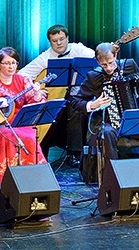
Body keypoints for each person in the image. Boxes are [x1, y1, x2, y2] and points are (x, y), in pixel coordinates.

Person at [69, 43, 139, 168]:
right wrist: (92, 104)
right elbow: (75, 101)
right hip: (109, 122)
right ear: (97, 61)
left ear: (115, 56)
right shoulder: (94, 76)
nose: (108, 68)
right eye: (104, 65)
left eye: (111, 63)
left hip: (137, 121)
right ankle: (113, 171)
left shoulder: (129, 65)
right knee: (107, 133)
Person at [0, 47, 49, 181]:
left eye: (14, 63)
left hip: (18, 122)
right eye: (6, 63)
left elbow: (35, 105)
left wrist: (36, 94)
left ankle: (33, 180)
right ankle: (10, 181)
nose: (11, 67)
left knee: (29, 137)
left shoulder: (23, 80)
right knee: (8, 136)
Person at [18, 24, 95, 164]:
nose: (59, 43)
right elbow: (22, 75)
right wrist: (36, 90)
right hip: (57, 96)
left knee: (76, 108)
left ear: (67, 38)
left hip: (77, 94)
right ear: (50, 42)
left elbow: (96, 58)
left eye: (61, 39)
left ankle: (74, 154)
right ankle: (41, 153)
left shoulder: (78, 49)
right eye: (54, 41)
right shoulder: (45, 57)